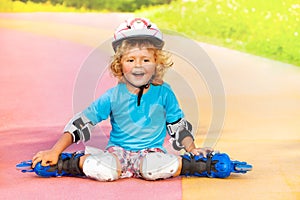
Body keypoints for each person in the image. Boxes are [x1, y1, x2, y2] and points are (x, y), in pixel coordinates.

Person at [29, 18, 249, 181]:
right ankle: (69, 163)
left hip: (152, 154)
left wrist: (193, 150)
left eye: (146, 59)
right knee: (104, 172)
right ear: (120, 64)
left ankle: (198, 165)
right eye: (131, 59)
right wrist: (55, 151)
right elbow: (81, 122)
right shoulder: (113, 96)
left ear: (156, 63)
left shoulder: (165, 93)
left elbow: (177, 127)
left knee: (155, 171)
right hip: (117, 153)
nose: (138, 65)